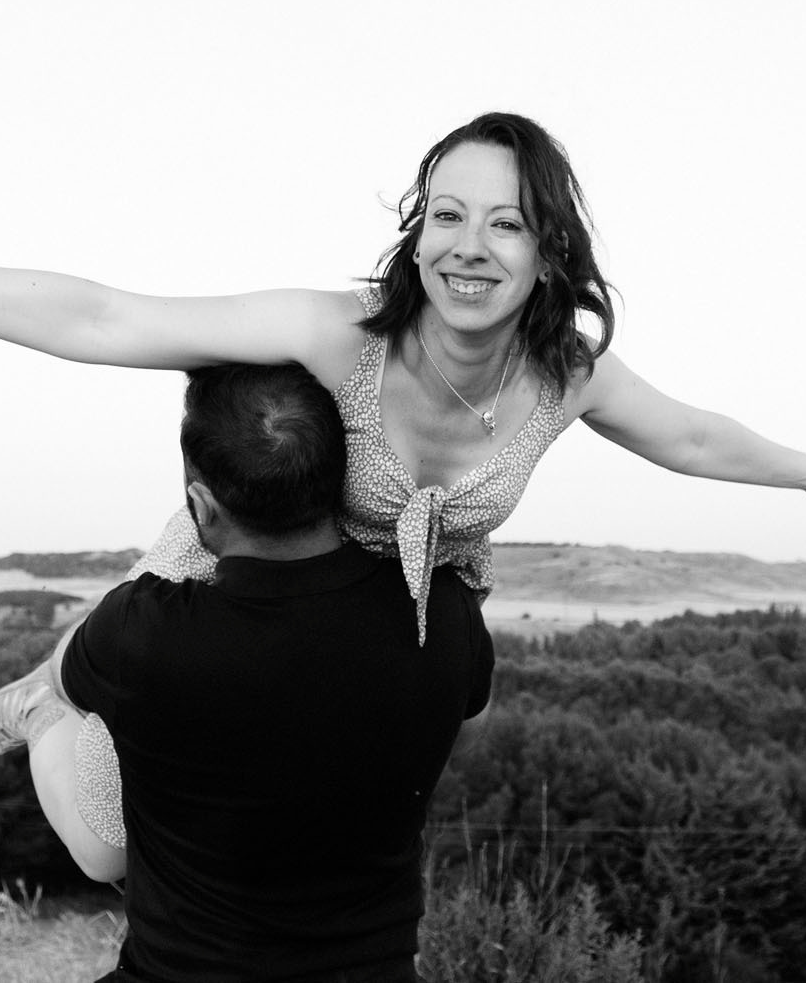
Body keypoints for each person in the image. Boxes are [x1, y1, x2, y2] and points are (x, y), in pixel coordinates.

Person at [0, 111, 806, 851]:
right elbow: (106, 315)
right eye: (445, 214)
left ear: (549, 251)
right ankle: (59, 696)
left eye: (505, 224)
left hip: (378, 622)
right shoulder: (339, 335)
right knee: (115, 851)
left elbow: (690, 437)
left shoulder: (563, 373)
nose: (467, 248)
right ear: (415, 228)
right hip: (238, 583)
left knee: (382, 787)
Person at [42, 360, 492, 982]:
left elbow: (62, 677)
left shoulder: (143, 633)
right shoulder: (439, 610)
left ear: (201, 504)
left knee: (48, 713)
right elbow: (467, 729)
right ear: (340, 479)